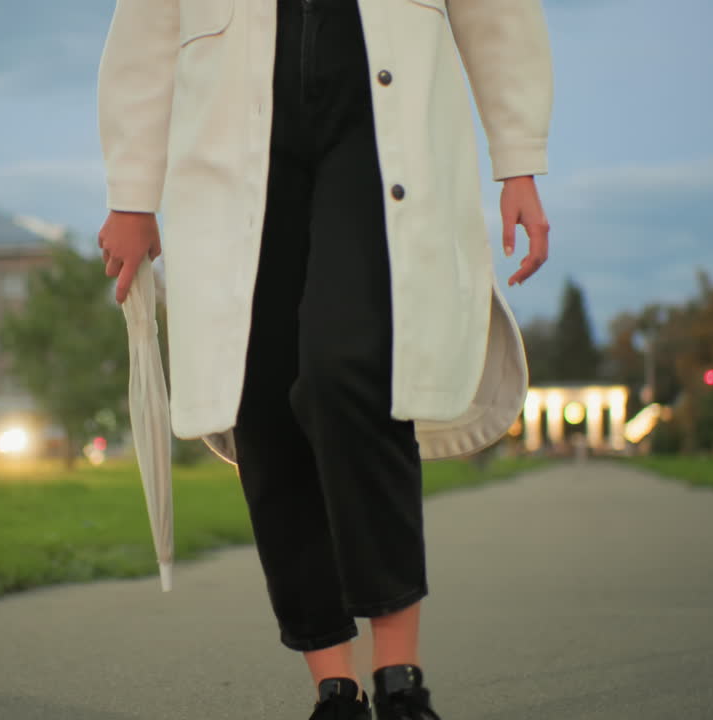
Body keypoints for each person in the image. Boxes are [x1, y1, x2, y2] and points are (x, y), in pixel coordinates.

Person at [97, 0, 552, 718]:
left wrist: (518, 159)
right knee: (264, 400)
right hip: (231, 132)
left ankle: (400, 679)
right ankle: (333, 689)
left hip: (378, 119)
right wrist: (131, 195)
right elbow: (147, 29)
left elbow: (495, 11)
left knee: (349, 374)